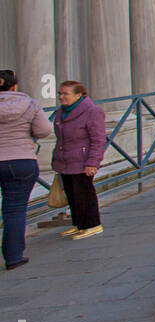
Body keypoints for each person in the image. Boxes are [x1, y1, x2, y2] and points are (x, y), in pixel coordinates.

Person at [0, 70, 53, 270]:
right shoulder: (29, 104)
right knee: (15, 210)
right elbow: (44, 131)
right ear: (14, 86)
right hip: (21, 160)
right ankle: (13, 257)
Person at [51, 80, 107, 240]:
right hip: (65, 159)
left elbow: (98, 140)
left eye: (65, 94)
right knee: (71, 193)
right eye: (59, 93)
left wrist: (92, 162)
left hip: (82, 160)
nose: (61, 97)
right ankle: (78, 224)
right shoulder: (61, 112)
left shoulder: (92, 112)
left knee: (84, 193)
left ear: (78, 95)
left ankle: (93, 224)